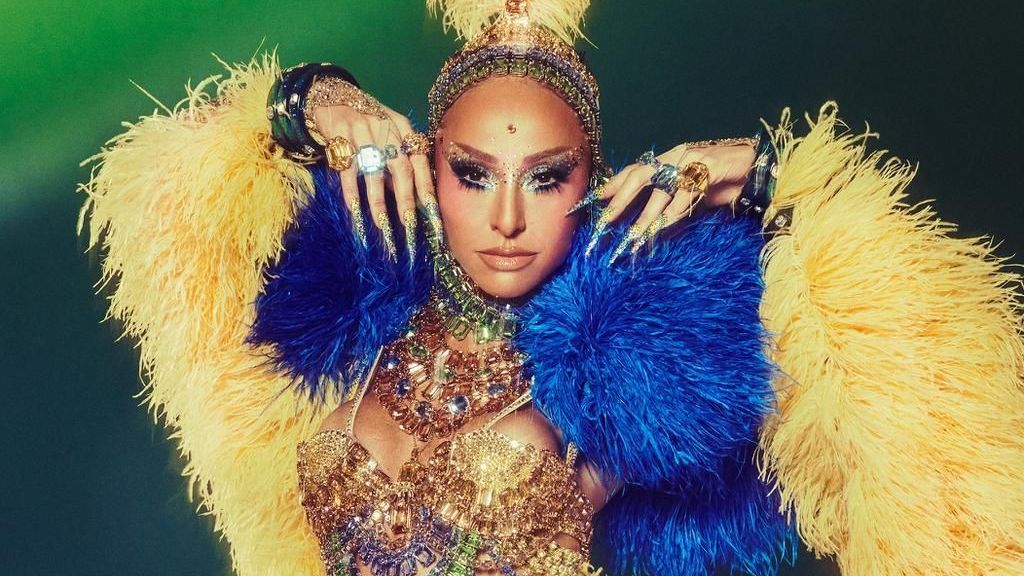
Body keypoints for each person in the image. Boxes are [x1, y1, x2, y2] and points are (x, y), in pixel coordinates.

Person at [79, 1, 1024, 575]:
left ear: (591, 180)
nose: (506, 218)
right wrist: (314, 99)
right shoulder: (361, 304)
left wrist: (766, 170)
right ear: (426, 165)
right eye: (472, 173)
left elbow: (893, 348)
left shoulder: (639, 353)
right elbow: (174, 189)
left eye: (545, 178)